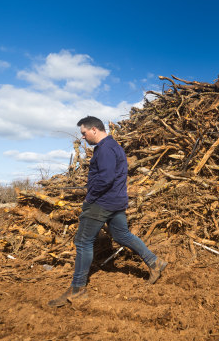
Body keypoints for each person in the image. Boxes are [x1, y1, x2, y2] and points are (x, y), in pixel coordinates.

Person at [48, 116, 167, 307]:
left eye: (84, 133)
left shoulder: (104, 149)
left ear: (94, 129)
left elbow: (106, 178)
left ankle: (77, 289)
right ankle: (154, 262)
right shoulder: (114, 147)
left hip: (102, 203)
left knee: (83, 241)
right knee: (122, 235)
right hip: (116, 202)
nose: (83, 138)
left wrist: (89, 198)